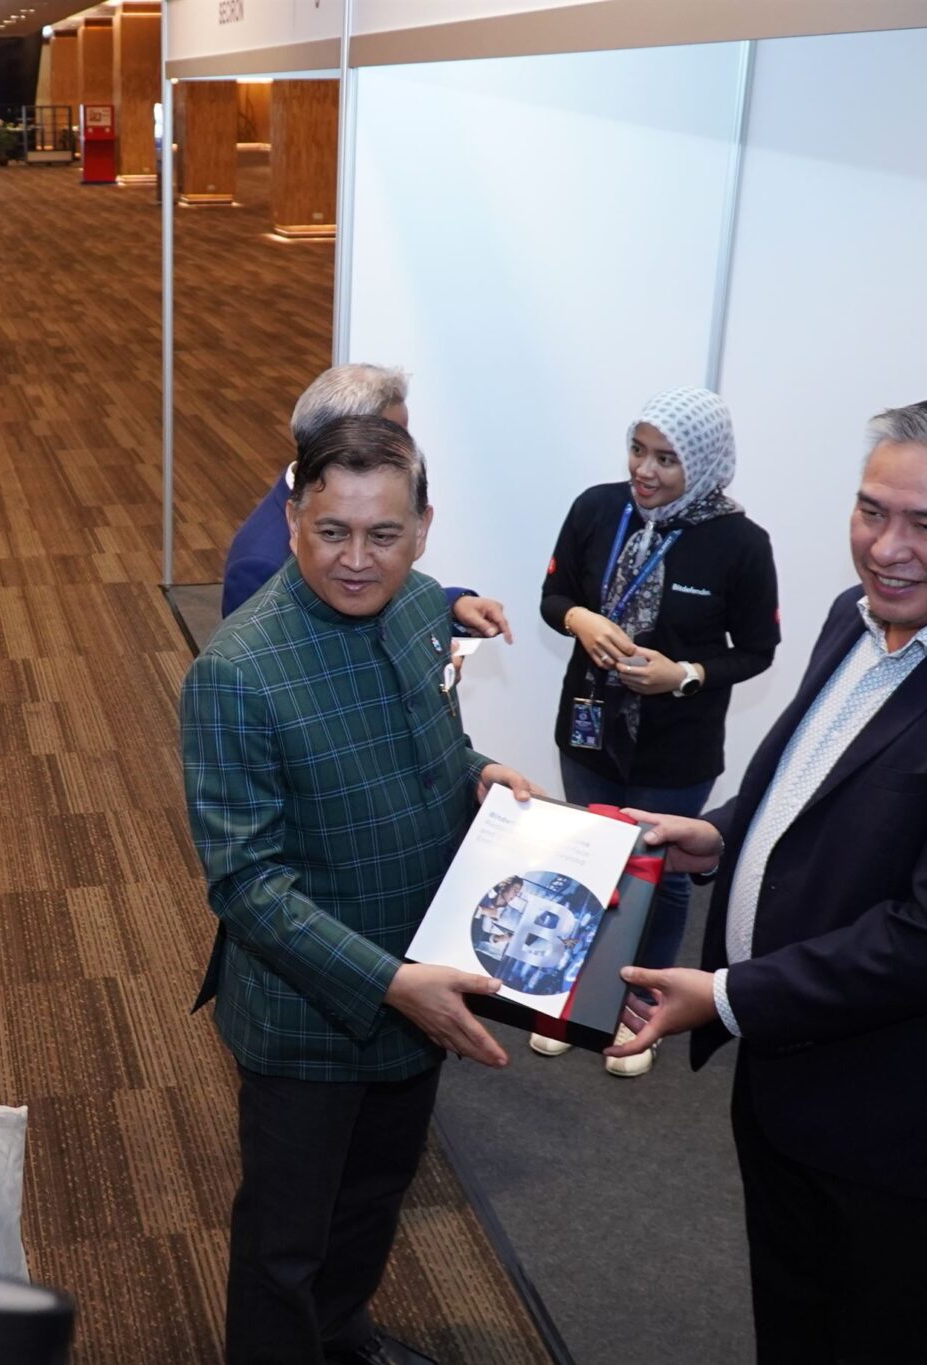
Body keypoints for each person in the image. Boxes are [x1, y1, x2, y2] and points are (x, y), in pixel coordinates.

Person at [608, 397, 927, 1364]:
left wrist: (724, 995)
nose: (887, 549)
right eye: (871, 510)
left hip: (903, 1118)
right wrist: (718, 836)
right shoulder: (859, 616)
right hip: (788, 1078)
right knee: (792, 1323)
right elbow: (811, 782)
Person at [182, 413, 538, 1365]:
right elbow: (246, 883)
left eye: (383, 534)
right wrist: (390, 982)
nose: (354, 559)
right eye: (331, 530)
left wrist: (479, 772)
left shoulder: (422, 606)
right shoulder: (235, 673)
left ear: (423, 528)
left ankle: (343, 1342)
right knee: (284, 1244)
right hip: (309, 1013)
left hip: (423, 979)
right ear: (293, 517)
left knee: (375, 1198)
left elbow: (433, 744)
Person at [533, 386, 779, 1076]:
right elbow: (553, 596)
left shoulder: (740, 544)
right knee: (590, 858)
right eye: (637, 450)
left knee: (660, 876)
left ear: (703, 462)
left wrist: (686, 675)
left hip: (678, 745)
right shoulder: (596, 508)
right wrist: (578, 618)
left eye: (666, 458)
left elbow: (756, 650)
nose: (644, 470)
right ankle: (572, 996)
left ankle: (642, 1008)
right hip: (589, 726)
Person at [221, 364, 512, 647]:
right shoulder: (260, 564)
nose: (357, 561)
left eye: (381, 536)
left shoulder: (357, 515)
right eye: (393, 438)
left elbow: (378, 600)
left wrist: (451, 606)